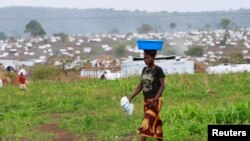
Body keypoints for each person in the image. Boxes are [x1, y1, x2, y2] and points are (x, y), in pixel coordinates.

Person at [129, 50, 165, 141]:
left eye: (148, 58)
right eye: (144, 58)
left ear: (153, 58)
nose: (145, 60)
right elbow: (141, 85)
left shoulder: (158, 70)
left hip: (156, 102)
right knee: (156, 124)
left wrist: (155, 99)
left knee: (146, 121)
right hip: (147, 101)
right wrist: (131, 97)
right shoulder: (144, 70)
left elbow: (162, 85)